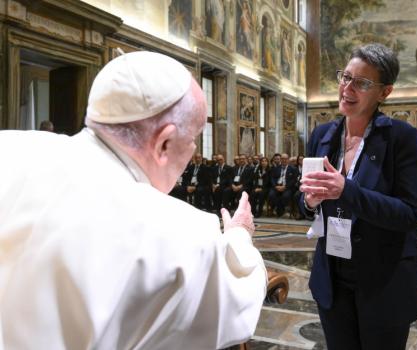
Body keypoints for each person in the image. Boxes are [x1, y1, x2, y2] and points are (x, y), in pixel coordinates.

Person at [0, 51, 267, 349]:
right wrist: (239, 234)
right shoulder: (177, 231)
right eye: (192, 141)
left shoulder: (10, 148)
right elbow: (237, 294)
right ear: (164, 142)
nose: (193, 150)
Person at [299, 43, 417, 349]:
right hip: (333, 276)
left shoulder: (400, 137)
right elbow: (303, 201)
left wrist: (347, 190)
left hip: (383, 280)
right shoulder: (322, 135)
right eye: (345, 77)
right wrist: (309, 201)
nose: (347, 88)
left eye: (362, 83)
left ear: (384, 93)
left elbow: (410, 213)